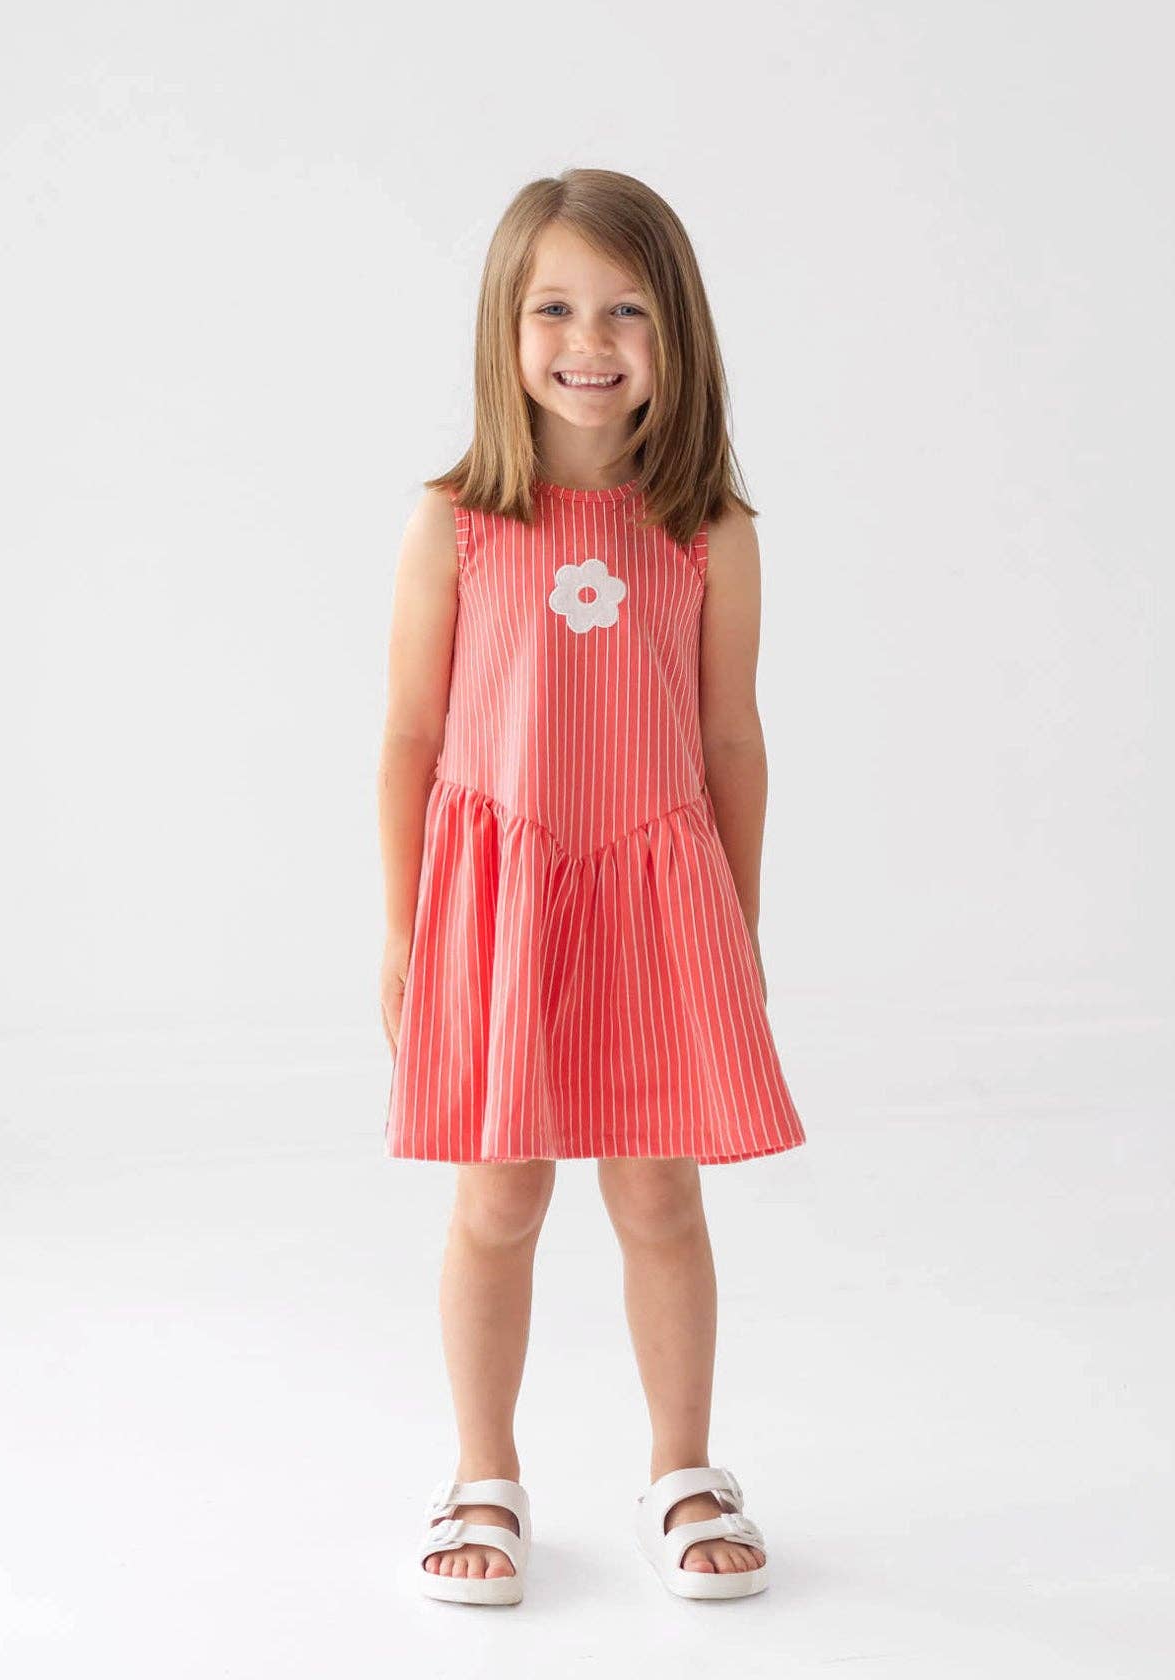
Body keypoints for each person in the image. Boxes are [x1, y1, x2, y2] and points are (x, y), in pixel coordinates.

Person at [377, 167, 807, 1606]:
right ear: (505, 329)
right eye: (554, 308)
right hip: (499, 905)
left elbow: (732, 738)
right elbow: (410, 737)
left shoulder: (709, 532)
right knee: (498, 1199)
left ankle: (683, 1467)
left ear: (676, 332)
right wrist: (403, 930)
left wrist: (738, 925)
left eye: (626, 310)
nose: (589, 341)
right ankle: (482, 1474)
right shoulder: (457, 521)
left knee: (660, 1193)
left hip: (654, 898)